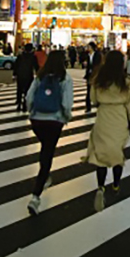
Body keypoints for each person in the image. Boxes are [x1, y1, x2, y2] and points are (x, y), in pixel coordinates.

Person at [83, 51, 130, 212]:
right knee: (117, 153)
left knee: (100, 155)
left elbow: (94, 100)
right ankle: (115, 185)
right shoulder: (126, 81)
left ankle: (100, 187)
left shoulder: (98, 79)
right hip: (119, 118)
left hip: (103, 117)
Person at [26, 50, 75, 216]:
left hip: (37, 121)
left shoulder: (40, 76)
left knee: (45, 149)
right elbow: (67, 103)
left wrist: (31, 112)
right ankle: (35, 196)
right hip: (54, 121)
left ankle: (44, 176)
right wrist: (66, 117)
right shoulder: (65, 78)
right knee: (48, 152)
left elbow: (29, 97)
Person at [14, 43, 39, 112]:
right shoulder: (33, 57)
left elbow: (16, 66)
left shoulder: (20, 56)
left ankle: (18, 104)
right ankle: (24, 105)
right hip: (29, 75)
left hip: (20, 75)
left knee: (19, 90)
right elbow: (36, 66)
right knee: (27, 91)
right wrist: (38, 74)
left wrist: (14, 74)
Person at [85, 42, 103, 113]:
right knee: (88, 91)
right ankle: (88, 107)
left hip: (96, 75)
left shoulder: (97, 55)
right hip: (89, 75)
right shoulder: (88, 55)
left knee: (97, 91)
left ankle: (99, 106)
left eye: (89, 47)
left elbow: (98, 64)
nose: (87, 48)